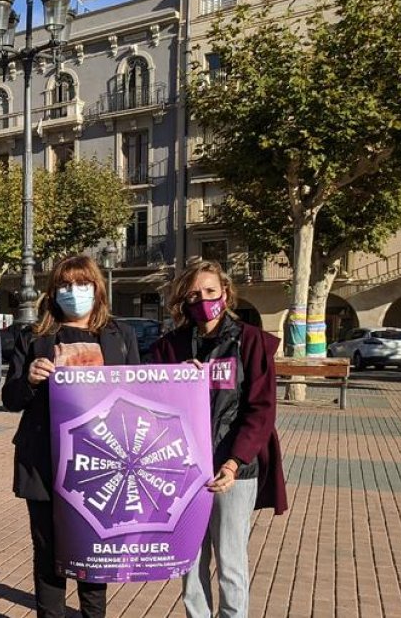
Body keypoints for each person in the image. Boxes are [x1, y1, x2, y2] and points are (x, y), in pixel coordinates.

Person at [1, 255, 140, 618]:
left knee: (94, 548)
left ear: (97, 289)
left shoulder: (120, 335)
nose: (73, 292)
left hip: (101, 462)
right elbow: (10, 398)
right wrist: (29, 379)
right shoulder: (34, 337)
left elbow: (140, 392)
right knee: (48, 553)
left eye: (82, 284)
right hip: (45, 461)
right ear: (52, 292)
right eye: (64, 285)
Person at [148, 260, 287, 618]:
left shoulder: (251, 341)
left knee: (231, 561)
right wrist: (170, 379)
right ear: (183, 299)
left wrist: (234, 461)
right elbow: (147, 400)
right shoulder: (170, 347)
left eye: (210, 291)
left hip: (234, 470)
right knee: (189, 563)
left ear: (225, 294)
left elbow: (260, 408)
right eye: (194, 293)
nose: (203, 299)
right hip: (183, 471)